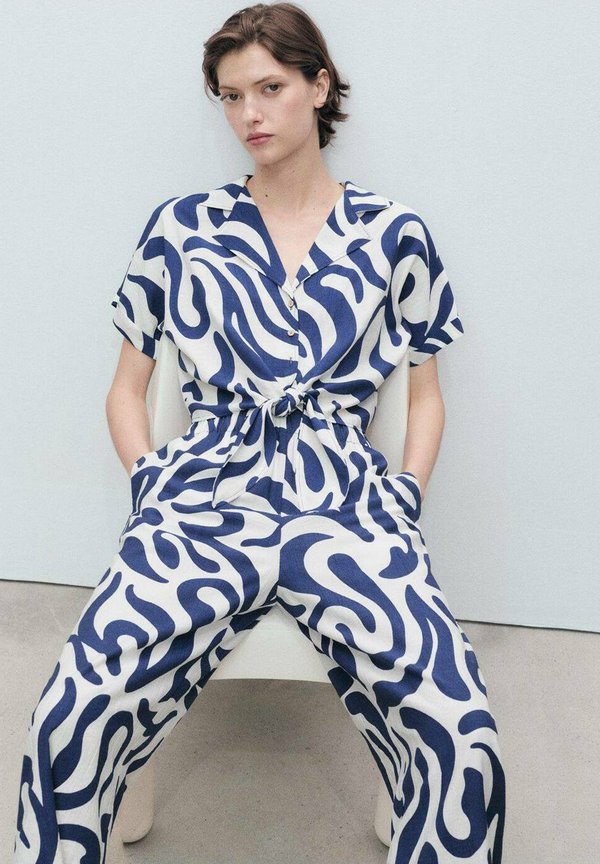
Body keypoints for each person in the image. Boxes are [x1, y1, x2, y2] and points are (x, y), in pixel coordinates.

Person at [12, 3, 506, 863]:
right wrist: (151, 481)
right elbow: (126, 389)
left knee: (463, 730)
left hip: (346, 499)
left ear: (319, 86)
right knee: (69, 709)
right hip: (203, 491)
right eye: (232, 95)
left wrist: (404, 493)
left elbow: (425, 393)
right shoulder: (181, 229)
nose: (250, 114)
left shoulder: (396, 235)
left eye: (271, 88)